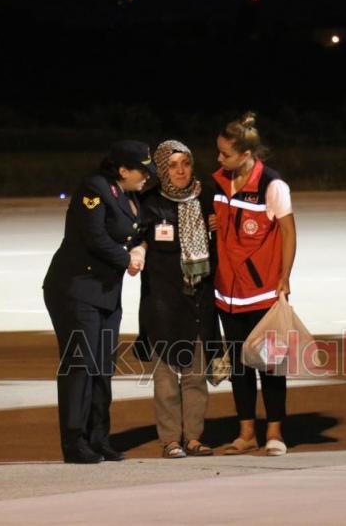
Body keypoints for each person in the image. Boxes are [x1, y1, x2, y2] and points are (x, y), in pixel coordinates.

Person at [42, 140, 153, 464]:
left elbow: (139, 230)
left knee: (103, 367)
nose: (147, 176)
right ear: (122, 170)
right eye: (142, 170)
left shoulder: (131, 194)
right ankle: (74, 441)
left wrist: (141, 249)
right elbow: (94, 236)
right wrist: (126, 259)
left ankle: (99, 438)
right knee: (80, 366)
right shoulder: (95, 189)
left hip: (105, 295)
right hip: (76, 290)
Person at [212, 112, 297, 457]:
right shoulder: (218, 182)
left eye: (225, 154)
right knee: (239, 366)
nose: (219, 159)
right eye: (218, 152)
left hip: (262, 292)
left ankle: (275, 433)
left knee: (271, 365)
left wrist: (284, 278)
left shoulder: (271, 185)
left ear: (246, 155)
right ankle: (246, 432)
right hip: (227, 293)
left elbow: (289, 233)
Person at [133, 139, 220, 458]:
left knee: (196, 375)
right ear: (161, 168)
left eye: (185, 163)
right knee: (167, 378)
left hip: (199, 300)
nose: (181, 170)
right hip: (163, 303)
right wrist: (138, 252)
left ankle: (194, 437)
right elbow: (137, 239)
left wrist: (218, 226)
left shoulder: (207, 196)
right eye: (172, 165)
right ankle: (170, 439)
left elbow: (221, 241)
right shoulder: (149, 202)